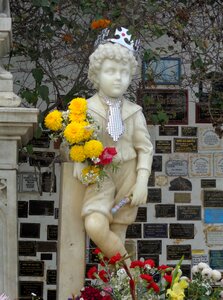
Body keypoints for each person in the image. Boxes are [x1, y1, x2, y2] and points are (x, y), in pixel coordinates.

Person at [75, 28, 153, 260]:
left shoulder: (134, 112)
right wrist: (79, 160)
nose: (118, 78)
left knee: (117, 233)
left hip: (128, 174)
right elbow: (71, 140)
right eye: (110, 71)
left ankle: (113, 291)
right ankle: (131, 272)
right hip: (101, 176)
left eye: (124, 72)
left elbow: (145, 148)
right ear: (96, 75)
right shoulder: (84, 109)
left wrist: (141, 182)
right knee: (95, 225)